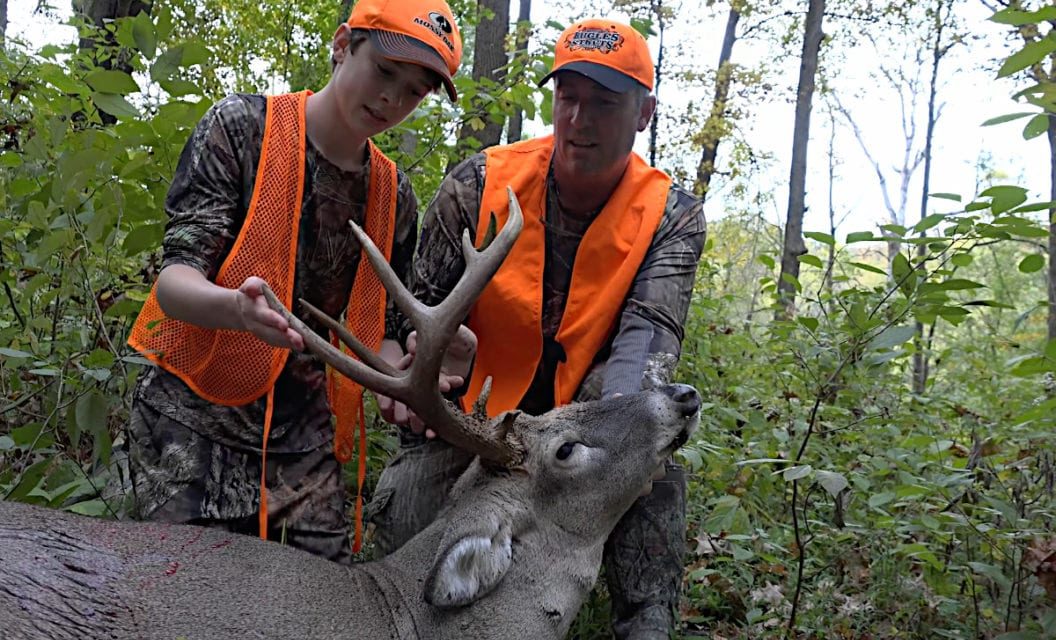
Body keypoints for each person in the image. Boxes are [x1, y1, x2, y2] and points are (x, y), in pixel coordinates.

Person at [368, 18, 706, 639]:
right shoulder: (479, 184)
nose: (579, 119)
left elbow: (648, 337)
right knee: (405, 552)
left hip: (589, 421)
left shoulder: (671, 217)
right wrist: (433, 361)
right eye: (568, 98)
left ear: (644, 113)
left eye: (604, 102)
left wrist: (609, 434)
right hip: (478, 425)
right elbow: (414, 318)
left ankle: (643, 626)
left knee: (655, 467)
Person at [124, 0, 465, 566]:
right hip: (193, 423)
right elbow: (174, 284)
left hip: (305, 441)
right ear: (341, 44)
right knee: (185, 602)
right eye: (384, 72)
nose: (391, 100)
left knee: (326, 604)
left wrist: (401, 382)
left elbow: (375, 335)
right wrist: (235, 308)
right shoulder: (242, 129)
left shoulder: (393, 195)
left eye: (414, 91)